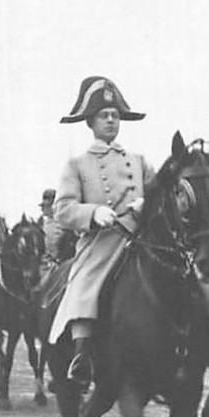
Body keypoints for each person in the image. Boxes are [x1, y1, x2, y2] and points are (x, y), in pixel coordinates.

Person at [49, 75, 155, 386]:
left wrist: (145, 205)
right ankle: (82, 353)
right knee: (85, 281)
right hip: (102, 239)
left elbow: (162, 193)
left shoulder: (138, 160)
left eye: (115, 115)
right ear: (91, 123)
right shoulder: (77, 165)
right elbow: (63, 209)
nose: (111, 121)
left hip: (140, 235)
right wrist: (94, 212)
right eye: (103, 116)